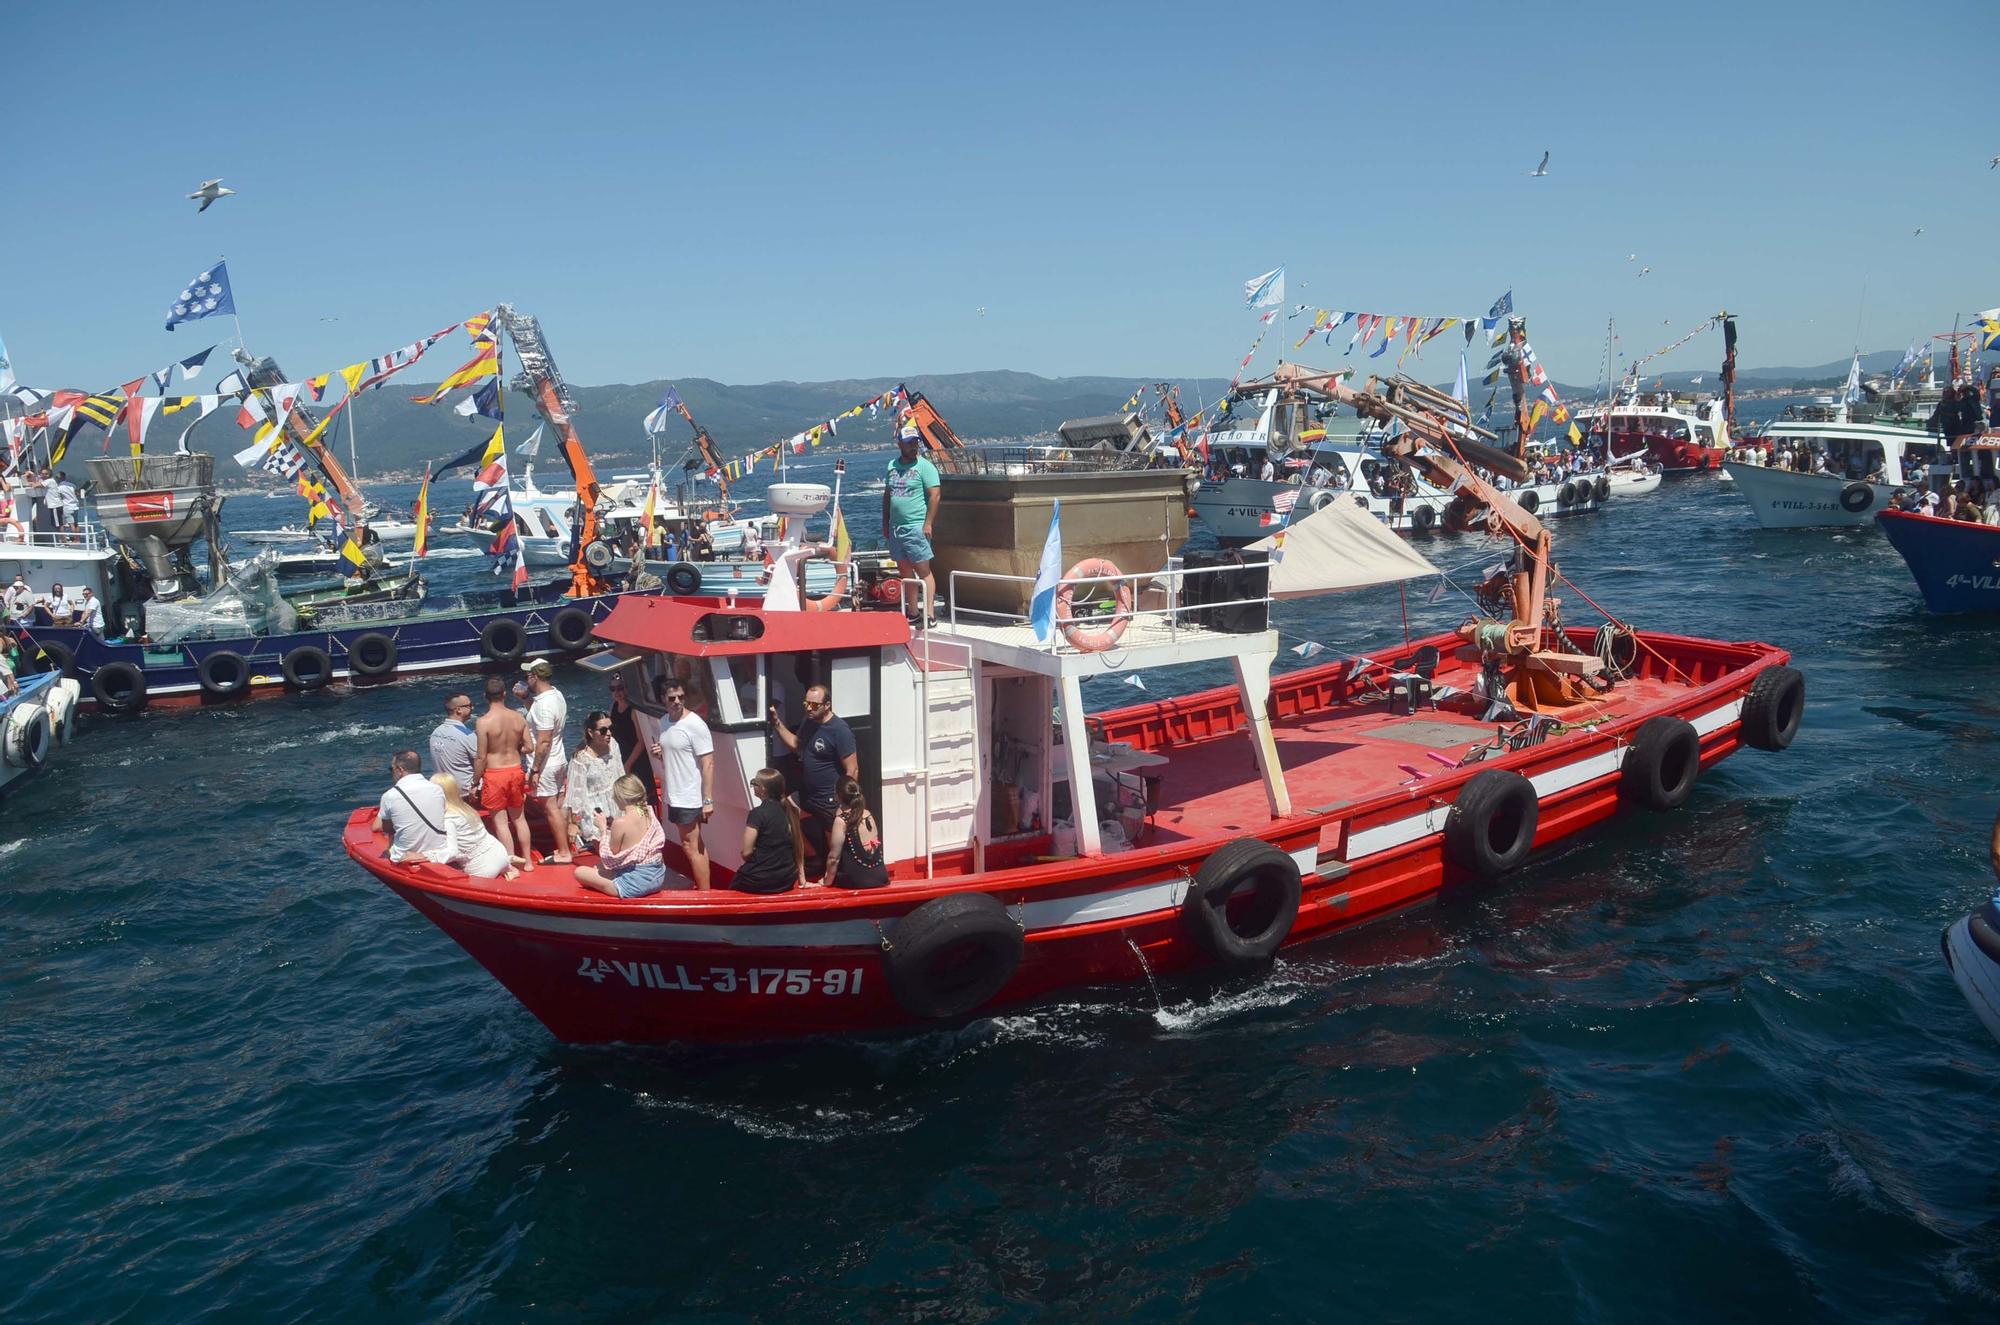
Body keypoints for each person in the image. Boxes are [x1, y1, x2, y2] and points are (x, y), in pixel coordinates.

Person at [768, 681, 857, 862]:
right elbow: (796, 745)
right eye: (806, 704)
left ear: (827, 705)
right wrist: (776, 722)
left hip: (830, 798)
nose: (809, 708)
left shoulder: (840, 730)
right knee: (787, 811)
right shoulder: (809, 722)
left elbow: (852, 769)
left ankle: (832, 876)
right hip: (809, 793)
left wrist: (845, 804)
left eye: (814, 705)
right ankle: (811, 855)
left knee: (833, 841)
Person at [653, 676, 715, 889]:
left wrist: (707, 799)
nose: (677, 701)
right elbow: (674, 754)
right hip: (674, 794)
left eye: (680, 697)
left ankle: (705, 892)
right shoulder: (663, 722)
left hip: (689, 795)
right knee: (694, 844)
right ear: (663, 699)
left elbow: (708, 763)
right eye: (672, 698)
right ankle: (704, 887)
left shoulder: (695, 724)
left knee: (690, 845)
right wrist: (661, 753)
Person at [882, 426, 941, 625]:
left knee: (924, 570)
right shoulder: (891, 466)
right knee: (905, 572)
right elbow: (887, 495)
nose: (913, 446)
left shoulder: (925, 467)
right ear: (899, 444)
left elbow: (935, 495)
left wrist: (928, 524)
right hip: (896, 528)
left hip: (915, 526)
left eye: (915, 442)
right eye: (909, 442)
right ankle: (913, 612)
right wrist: (885, 522)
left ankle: (930, 614)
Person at [575, 775, 670, 898]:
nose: (613, 798)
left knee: (580, 872)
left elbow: (609, 858)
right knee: (596, 867)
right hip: (656, 876)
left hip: (635, 884)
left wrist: (603, 829)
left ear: (621, 797)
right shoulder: (648, 812)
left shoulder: (620, 823)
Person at [474, 674, 532, 863]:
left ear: (485, 696)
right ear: (505, 694)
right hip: (515, 770)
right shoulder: (518, 717)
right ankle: (528, 861)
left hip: (495, 774)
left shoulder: (483, 722)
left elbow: (481, 756)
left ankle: (510, 862)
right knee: (519, 819)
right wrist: (515, 749)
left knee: (500, 822)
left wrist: (475, 781)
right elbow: (529, 747)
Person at [520, 658, 573, 864]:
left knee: (550, 808)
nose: (526, 679)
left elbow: (543, 741)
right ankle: (568, 844)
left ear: (535, 677)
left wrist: (534, 769)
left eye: (528, 675)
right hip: (559, 759)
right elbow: (538, 712)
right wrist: (526, 698)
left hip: (546, 764)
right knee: (559, 805)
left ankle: (563, 852)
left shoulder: (544, 705)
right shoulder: (555, 695)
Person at [432, 773, 525, 880]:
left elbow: (452, 851)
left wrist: (428, 856)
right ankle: (509, 865)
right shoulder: (466, 808)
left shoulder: (448, 818)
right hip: (500, 852)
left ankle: (509, 863)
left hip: (485, 870)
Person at [373, 749, 451, 865]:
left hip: (406, 856)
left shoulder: (390, 795)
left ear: (400, 770)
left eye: (392, 769)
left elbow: (380, 827)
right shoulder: (437, 789)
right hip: (438, 852)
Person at [733, 768, 803, 893]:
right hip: (785, 879)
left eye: (754, 782)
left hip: (760, 880)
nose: (753, 785)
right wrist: (802, 879)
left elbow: (746, 853)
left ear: (763, 790)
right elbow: (798, 847)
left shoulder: (757, 814)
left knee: (738, 880)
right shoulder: (790, 811)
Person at [564, 709, 623, 849]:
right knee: (605, 851)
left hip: (616, 805)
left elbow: (621, 774)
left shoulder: (613, 745)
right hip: (595, 811)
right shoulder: (581, 758)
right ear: (590, 732)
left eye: (610, 728)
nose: (608, 733)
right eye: (603, 730)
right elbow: (575, 793)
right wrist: (573, 823)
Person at [819, 776, 889, 889]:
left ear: (837, 796)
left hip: (857, 879)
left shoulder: (841, 821)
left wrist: (826, 881)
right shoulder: (868, 814)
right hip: (879, 876)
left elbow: (833, 858)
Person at [607, 674, 656, 804]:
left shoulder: (634, 710)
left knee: (640, 797)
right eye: (613, 689)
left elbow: (641, 741)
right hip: (622, 756)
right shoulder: (613, 707)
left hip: (637, 759)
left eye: (620, 688)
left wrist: (628, 764)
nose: (617, 692)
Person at [429, 693, 478, 793]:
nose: (472, 707)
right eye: (469, 705)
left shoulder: (436, 732)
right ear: (458, 710)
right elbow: (481, 761)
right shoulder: (467, 735)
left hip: (442, 791)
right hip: (465, 793)